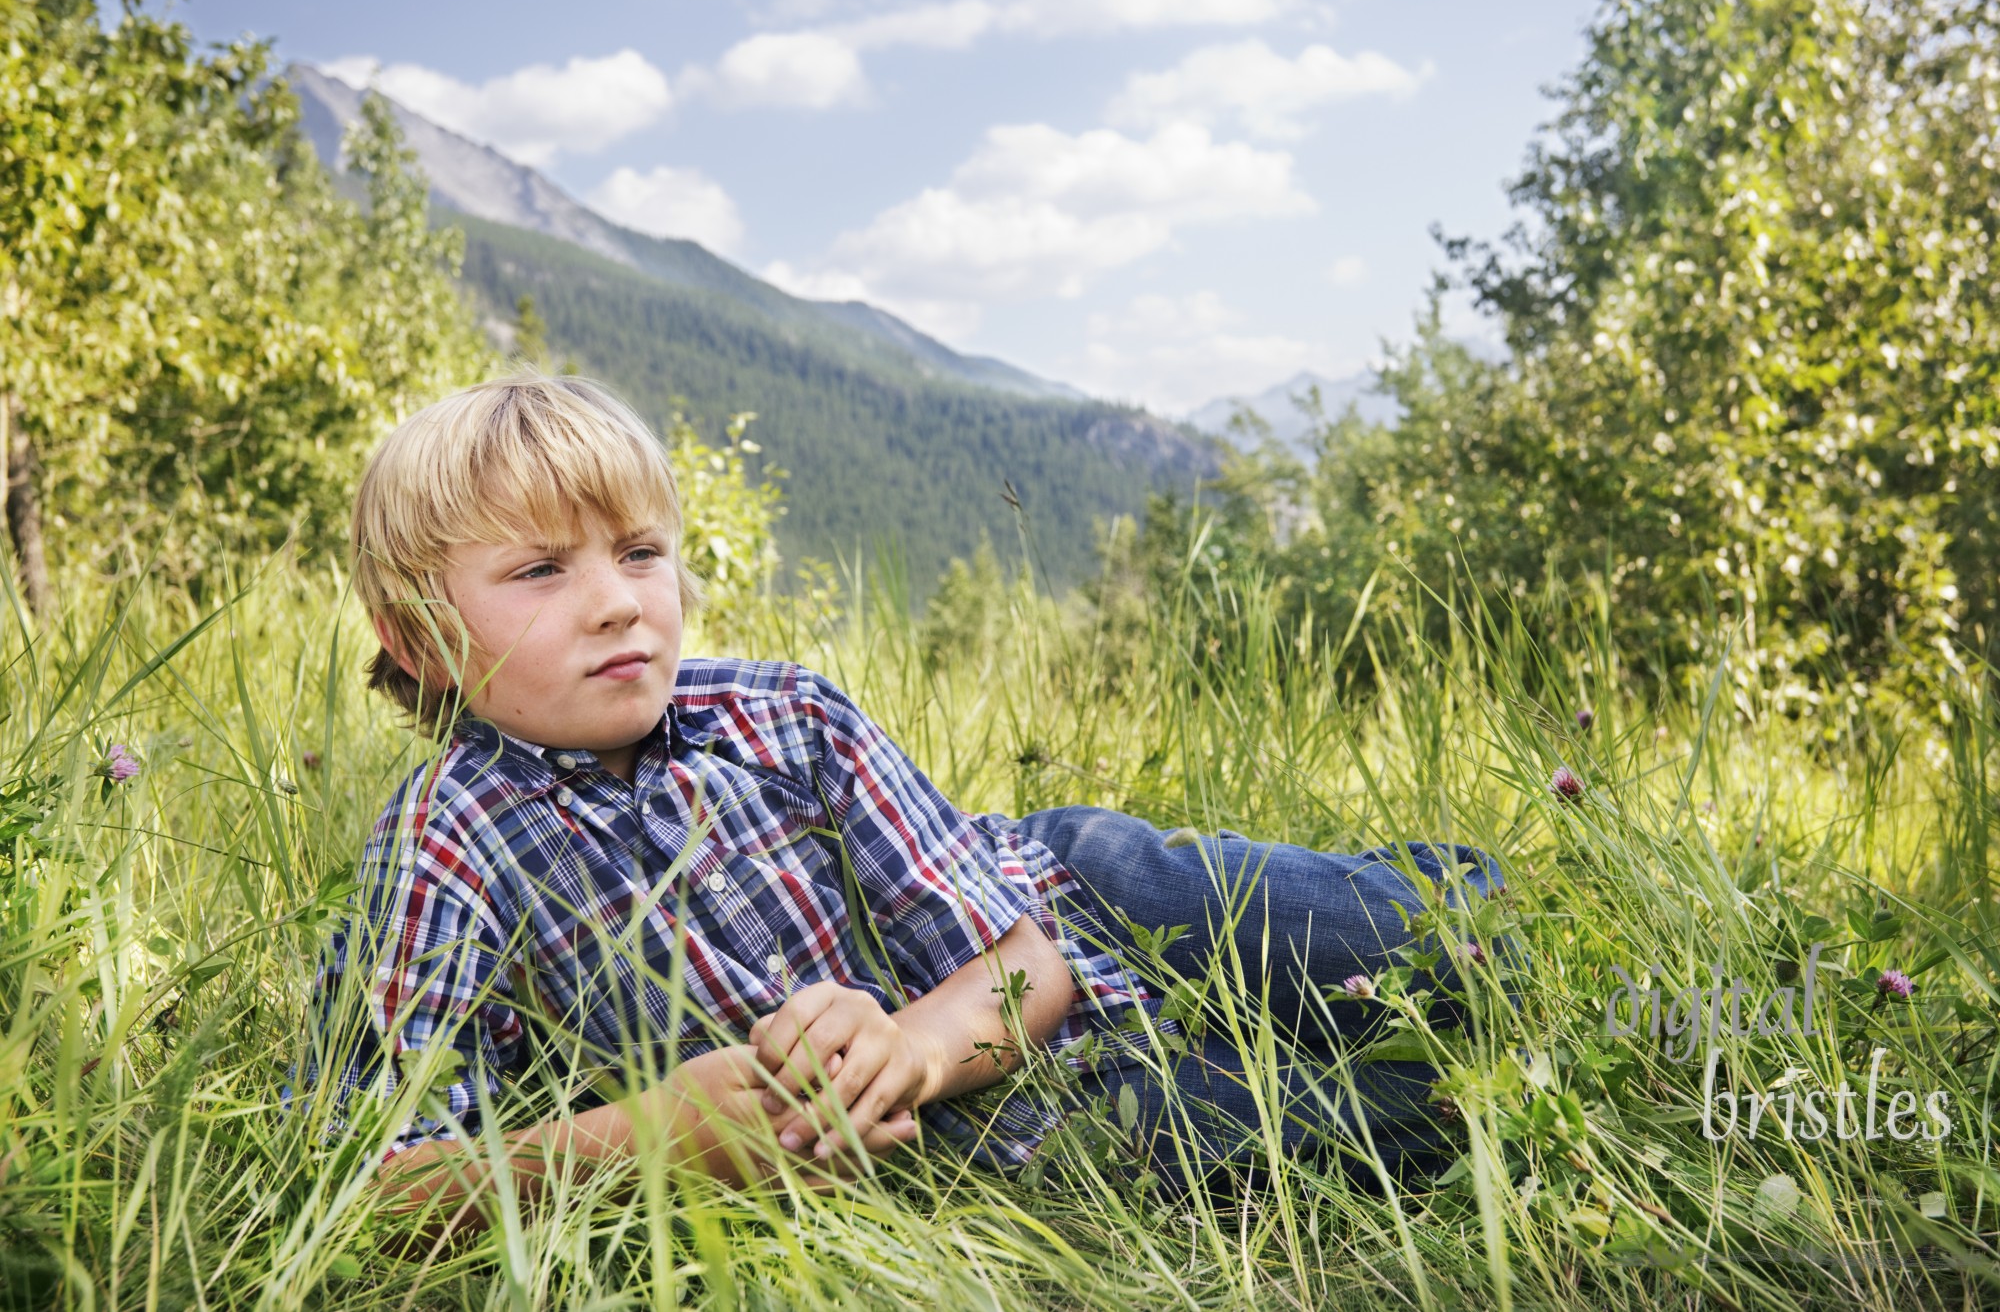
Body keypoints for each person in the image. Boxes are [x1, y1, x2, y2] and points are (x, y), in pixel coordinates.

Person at [308, 372, 1508, 1229]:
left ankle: (1533, 913)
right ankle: (1556, 1056)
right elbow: (373, 1180)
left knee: (1423, 938)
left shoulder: (784, 716)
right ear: (413, 637)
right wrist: (644, 1144)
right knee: (1412, 1108)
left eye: (640, 551)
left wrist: (915, 1051)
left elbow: (1025, 965)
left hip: (1064, 900)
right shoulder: (441, 852)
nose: (618, 601)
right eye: (538, 571)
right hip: (1024, 1127)